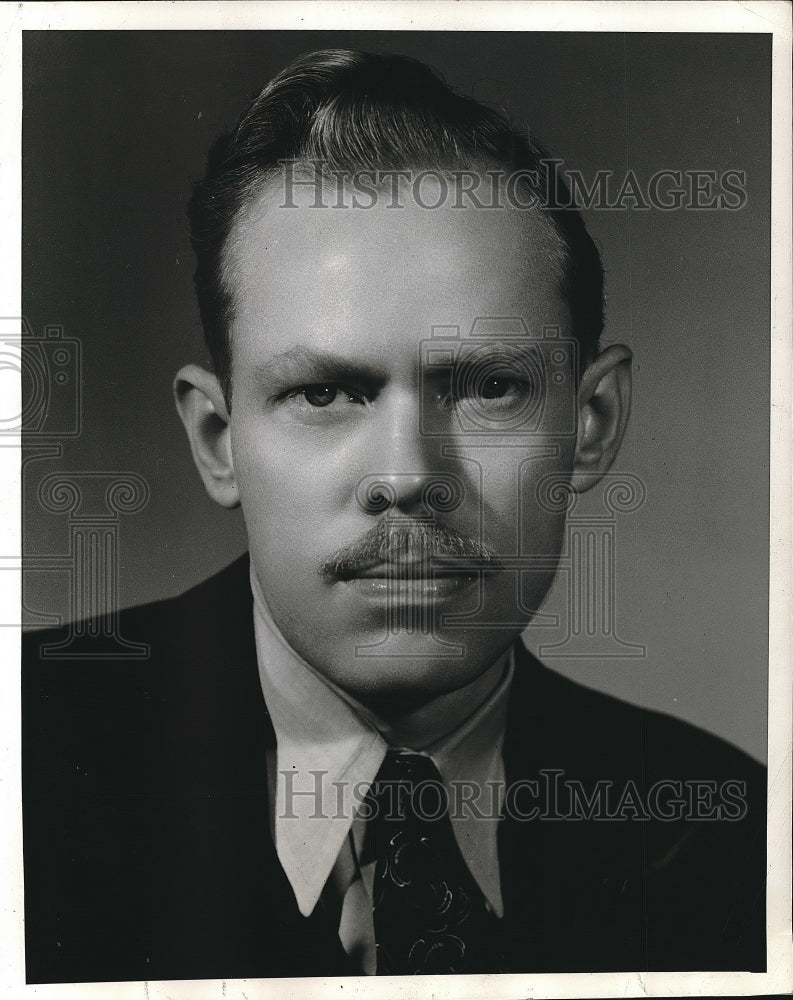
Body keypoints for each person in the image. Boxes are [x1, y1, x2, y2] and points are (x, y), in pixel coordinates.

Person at [22, 49, 766, 983]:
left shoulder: (735, 839)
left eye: (490, 387)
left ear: (591, 423)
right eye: (326, 392)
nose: (410, 475)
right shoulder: (26, 763)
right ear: (218, 439)